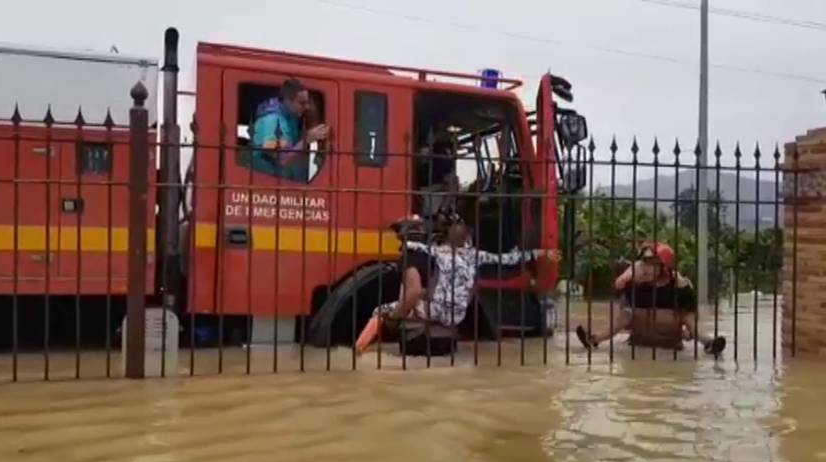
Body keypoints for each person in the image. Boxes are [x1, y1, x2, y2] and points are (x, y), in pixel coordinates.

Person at [355, 214, 559, 353]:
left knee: (380, 311)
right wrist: (541, 253)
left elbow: (411, 245)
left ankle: (359, 349)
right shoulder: (478, 256)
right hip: (457, 315)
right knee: (425, 293)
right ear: (468, 240)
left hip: (435, 311)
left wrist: (402, 228)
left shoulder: (438, 252)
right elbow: (508, 259)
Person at [575, 241, 726, 355]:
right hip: (639, 341)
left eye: (652, 264)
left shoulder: (680, 288)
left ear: (664, 267)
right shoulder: (633, 282)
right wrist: (627, 277)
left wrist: (687, 333)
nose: (646, 269)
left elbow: (692, 316)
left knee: (686, 317)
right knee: (626, 314)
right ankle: (594, 339)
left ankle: (708, 342)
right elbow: (619, 294)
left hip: (670, 343)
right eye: (644, 263)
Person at [250, 78, 330, 182]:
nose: (306, 107)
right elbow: (281, 159)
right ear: (287, 100)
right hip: (266, 178)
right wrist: (307, 139)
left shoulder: (291, 116)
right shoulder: (273, 121)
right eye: (302, 103)